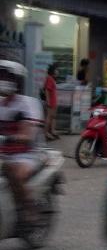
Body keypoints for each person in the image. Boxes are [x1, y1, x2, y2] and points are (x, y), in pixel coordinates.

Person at [0, 61, 45, 222]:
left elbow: (28, 135)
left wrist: (11, 137)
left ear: (18, 81)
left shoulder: (27, 104)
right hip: (4, 154)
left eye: (7, 76)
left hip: (26, 155)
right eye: (1, 76)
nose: (3, 79)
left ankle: (29, 207)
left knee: (15, 174)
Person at [44, 64, 59, 140]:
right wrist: (48, 101)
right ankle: (46, 133)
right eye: (56, 70)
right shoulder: (49, 79)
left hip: (54, 102)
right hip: (51, 102)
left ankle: (52, 131)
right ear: (53, 71)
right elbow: (47, 90)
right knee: (49, 118)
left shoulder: (52, 79)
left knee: (53, 117)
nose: (57, 71)